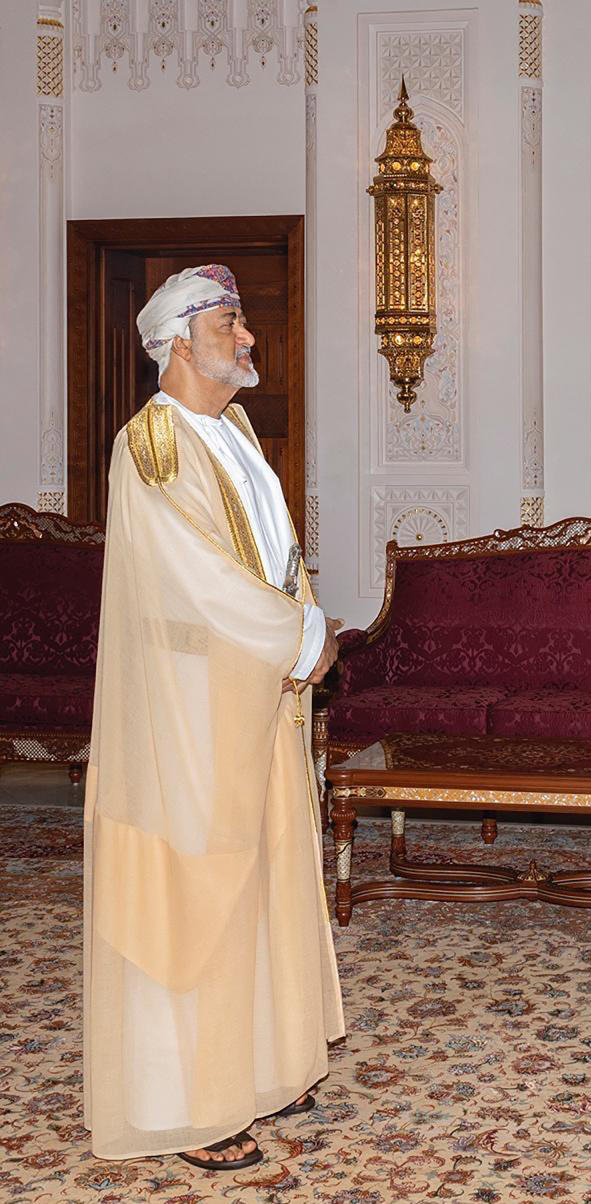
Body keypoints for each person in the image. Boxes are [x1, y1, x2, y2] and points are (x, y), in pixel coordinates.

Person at [84, 265, 345, 1169]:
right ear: (179, 339)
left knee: (262, 872)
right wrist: (299, 637)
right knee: (190, 892)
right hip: (191, 708)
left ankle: (265, 1068)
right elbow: (198, 579)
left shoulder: (232, 428)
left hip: (255, 695)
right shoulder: (150, 445)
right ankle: (186, 1101)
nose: (248, 339)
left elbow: (276, 553)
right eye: (232, 323)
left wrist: (305, 624)